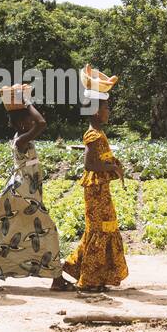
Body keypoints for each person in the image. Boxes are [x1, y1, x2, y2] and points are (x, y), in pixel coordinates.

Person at [0, 94, 75, 292]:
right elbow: (42, 123)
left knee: (6, 235)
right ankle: (57, 279)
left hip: (23, 193)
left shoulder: (21, 138)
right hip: (22, 195)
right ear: (19, 123)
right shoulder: (21, 140)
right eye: (27, 119)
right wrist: (27, 102)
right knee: (48, 231)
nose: (31, 121)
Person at [62, 73, 128, 292]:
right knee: (99, 230)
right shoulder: (93, 135)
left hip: (100, 189)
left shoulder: (99, 133)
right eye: (106, 108)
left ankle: (86, 273)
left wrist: (113, 165)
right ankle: (90, 279)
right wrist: (111, 168)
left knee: (102, 229)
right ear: (97, 111)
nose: (109, 112)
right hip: (95, 191)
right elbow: (89, 164)